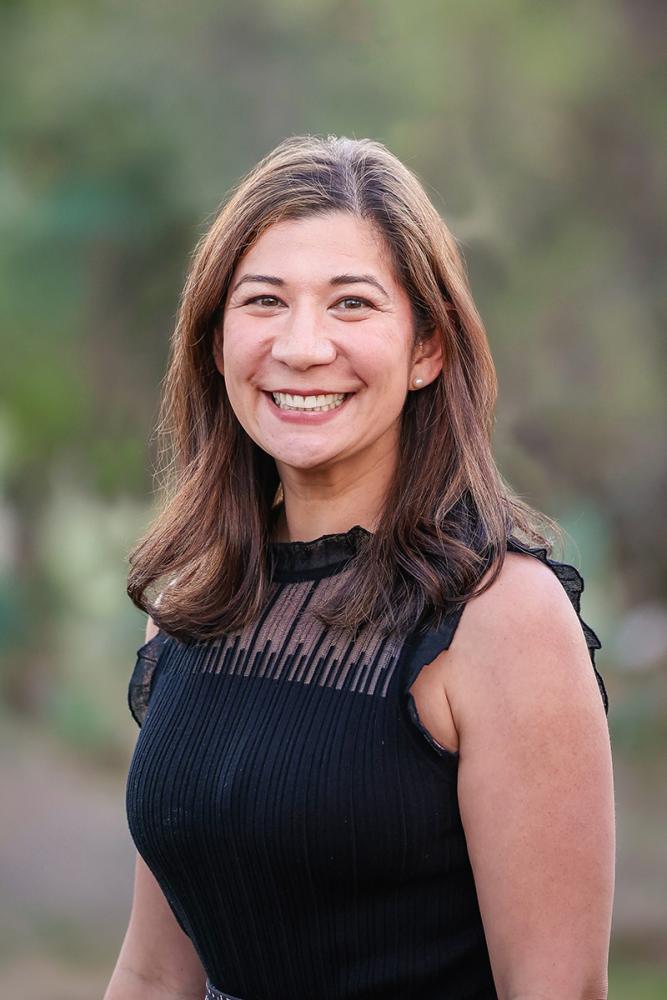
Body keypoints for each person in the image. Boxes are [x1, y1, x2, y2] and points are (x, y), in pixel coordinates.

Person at [104, 135, 614, 1000]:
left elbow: (557, 993)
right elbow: (154, 973)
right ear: (216, 342)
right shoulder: (194, 602)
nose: (302, 347)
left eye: (351, 304)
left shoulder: (500, 621)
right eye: (263, 301)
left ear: (427, 349)